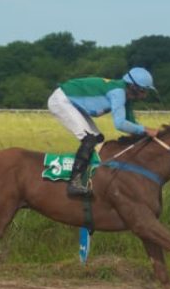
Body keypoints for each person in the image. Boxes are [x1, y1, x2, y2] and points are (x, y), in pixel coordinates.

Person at [47, 67, 159, 198]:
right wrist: (146, 130)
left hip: (71, 102)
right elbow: (120, 124)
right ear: (133, 87)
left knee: (98, 139)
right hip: (61, 101)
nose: (144, 96)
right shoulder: (118, 92)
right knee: (89, 140)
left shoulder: (126, 96)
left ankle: (90, 178)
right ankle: (74, 183)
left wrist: (149, 138)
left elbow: (132, 126)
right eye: (143, 91)